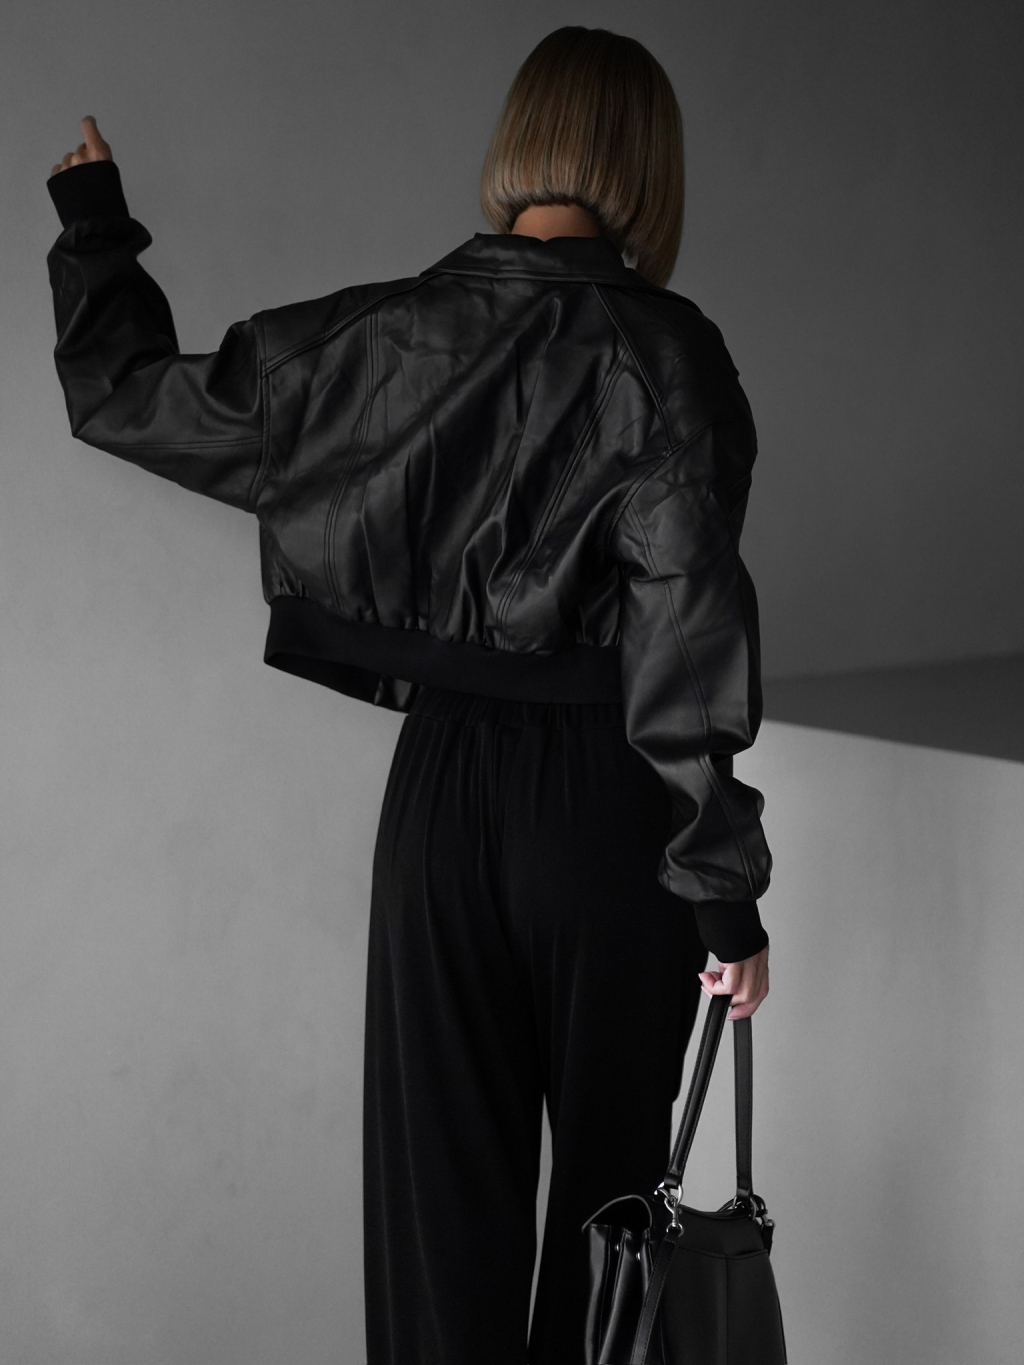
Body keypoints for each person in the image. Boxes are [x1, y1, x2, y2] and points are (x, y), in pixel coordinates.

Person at [46, 25, 771, 1365]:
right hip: (610, 807)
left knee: (440, 1226)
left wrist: (95, 224)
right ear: (646, 165)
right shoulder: (670, 355)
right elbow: (685, 630)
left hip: (440, 800)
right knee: (616, 1230)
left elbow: (132, 400)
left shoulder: (385, 338)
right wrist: (722, 894)